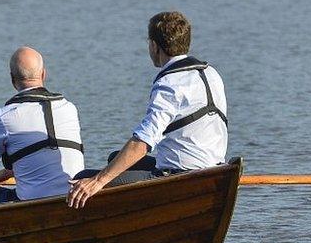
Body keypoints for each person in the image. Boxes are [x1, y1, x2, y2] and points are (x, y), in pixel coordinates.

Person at [67, 11, 228, 209]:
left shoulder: (169, 83)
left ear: (153, 45)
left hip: (182, 175)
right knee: (114, 158)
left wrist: (98, 181)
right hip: (215, 168)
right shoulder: (211, 73)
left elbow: (143, 142)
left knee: (83, 178)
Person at [0, 46, 85, 207]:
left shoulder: (5, 116)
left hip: (32, 205)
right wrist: (6, 173)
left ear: (12, 79)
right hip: (73, 197)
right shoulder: (69, 108)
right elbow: (45, 153)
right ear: (44, 73)